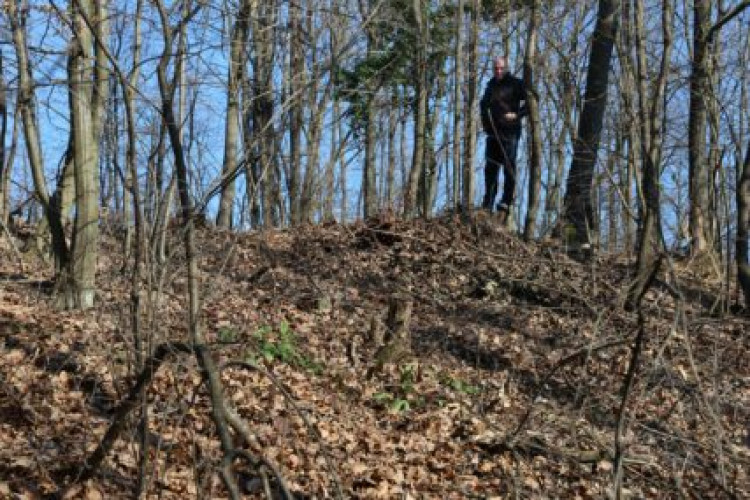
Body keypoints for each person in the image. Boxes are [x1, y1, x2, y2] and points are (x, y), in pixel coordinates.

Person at [480, 56, 528, 226]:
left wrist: (517, 115)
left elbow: (531, 102)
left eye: (501, 68)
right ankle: (487, 204)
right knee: (490, 170)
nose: (498, 71)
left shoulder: (516, 83)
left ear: (506, 68)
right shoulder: (490, 85)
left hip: (510, 133)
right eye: (495, 69)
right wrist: (486, 126)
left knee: (509, 167)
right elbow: (483, 105)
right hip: (493, 134)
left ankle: (506, 202)